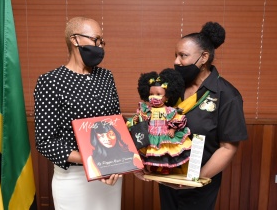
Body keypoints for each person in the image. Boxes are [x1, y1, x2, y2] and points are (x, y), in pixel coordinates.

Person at [155, 22, 248, 209]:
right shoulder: (172, 88)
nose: (176, 61)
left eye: (183, 56)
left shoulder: (227, 95)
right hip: (168, 178)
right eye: (176, 55)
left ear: (204, 57)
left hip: (200, 183)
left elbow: (228, 148)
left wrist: (195, 179)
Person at [34, 17, 123, 210]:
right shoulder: (50, 81)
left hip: (110, 177)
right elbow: (45, 142)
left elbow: (115, 125)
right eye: (95, 40)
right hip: (74, 180)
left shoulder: (106, 77)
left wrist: (118, 163)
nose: (99, 46)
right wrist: (91, 160)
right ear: (75, 40)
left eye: (101, 42)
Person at [131, 68, 192, 174]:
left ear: (167, 96)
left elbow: (177, 119)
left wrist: (173, 129)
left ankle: (166, 167)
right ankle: (154, 166)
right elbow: (143, 118)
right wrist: (137, 119)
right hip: (151, 135)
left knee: (165, 151)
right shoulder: (147, 109)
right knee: (153, 151)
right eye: (151, 94)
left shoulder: (169, 110)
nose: (154, 97)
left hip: (164, 134)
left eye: (158, 94)